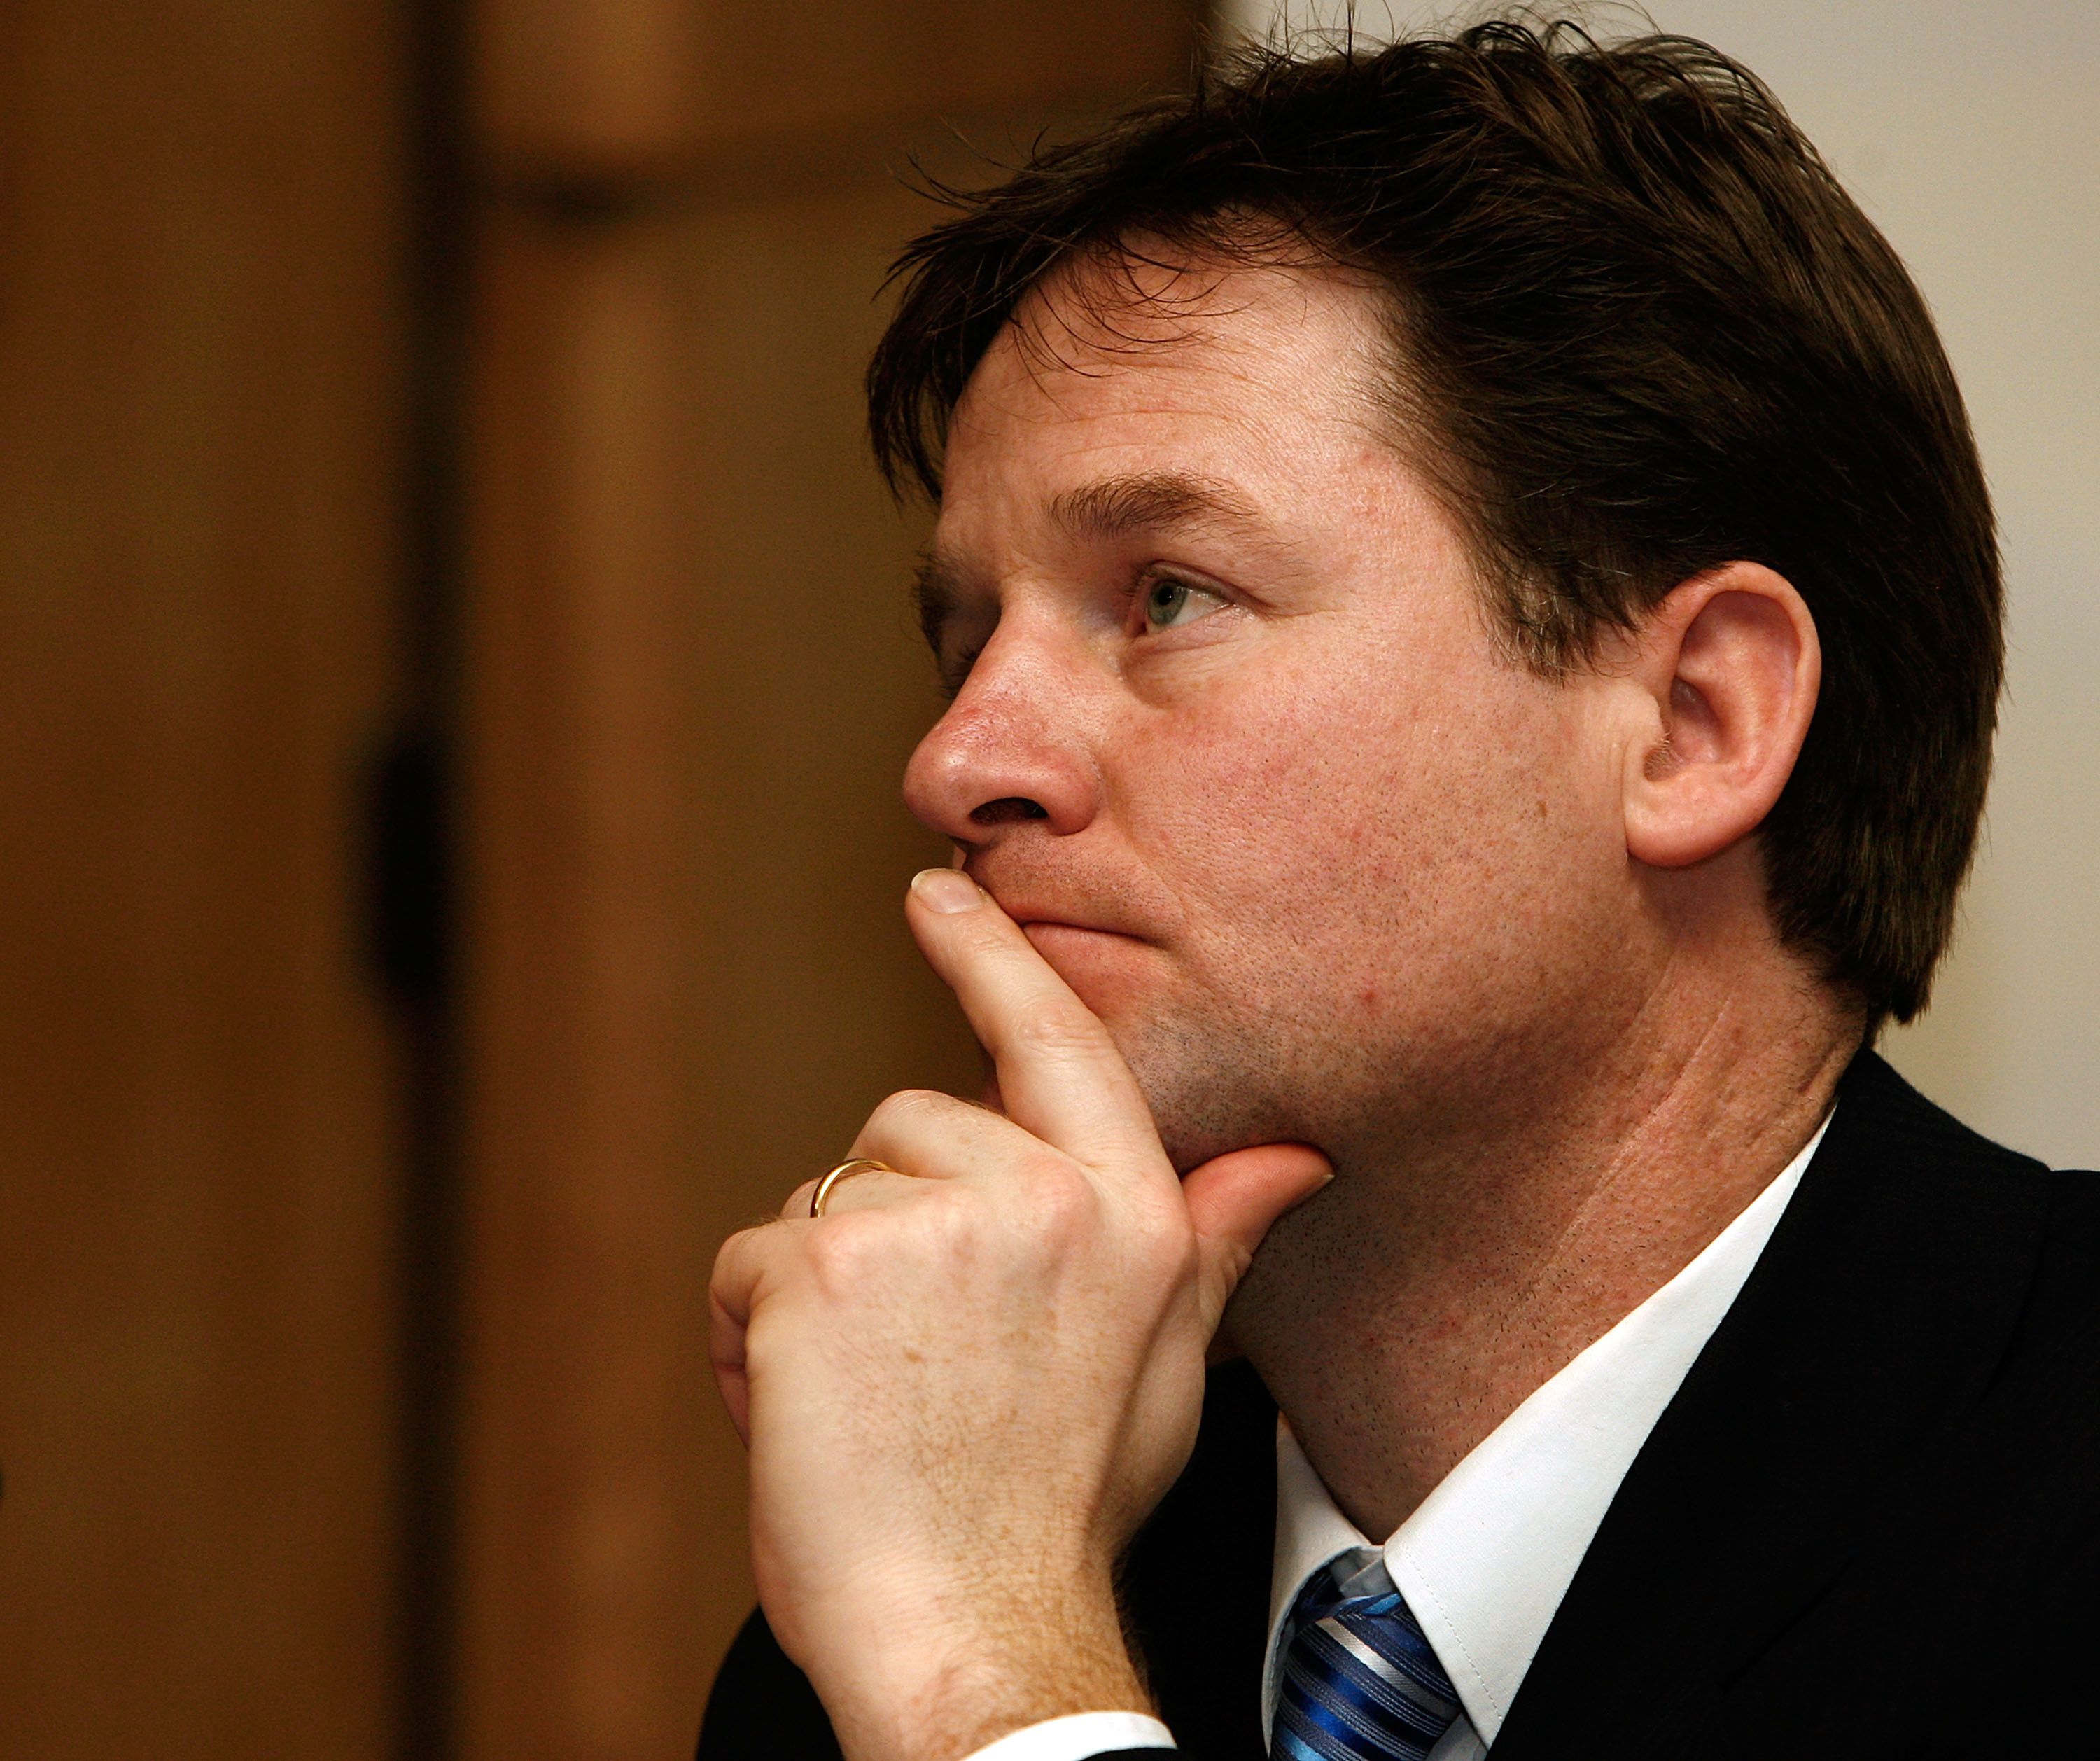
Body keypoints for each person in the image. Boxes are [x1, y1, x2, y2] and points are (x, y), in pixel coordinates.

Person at [700, 20, 2097, 1761]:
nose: (957, 760)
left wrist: (993, 1696)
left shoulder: (956, 1635)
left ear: (1693, 720)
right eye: (967, 634)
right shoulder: (906, 1603)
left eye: (1166, 596)